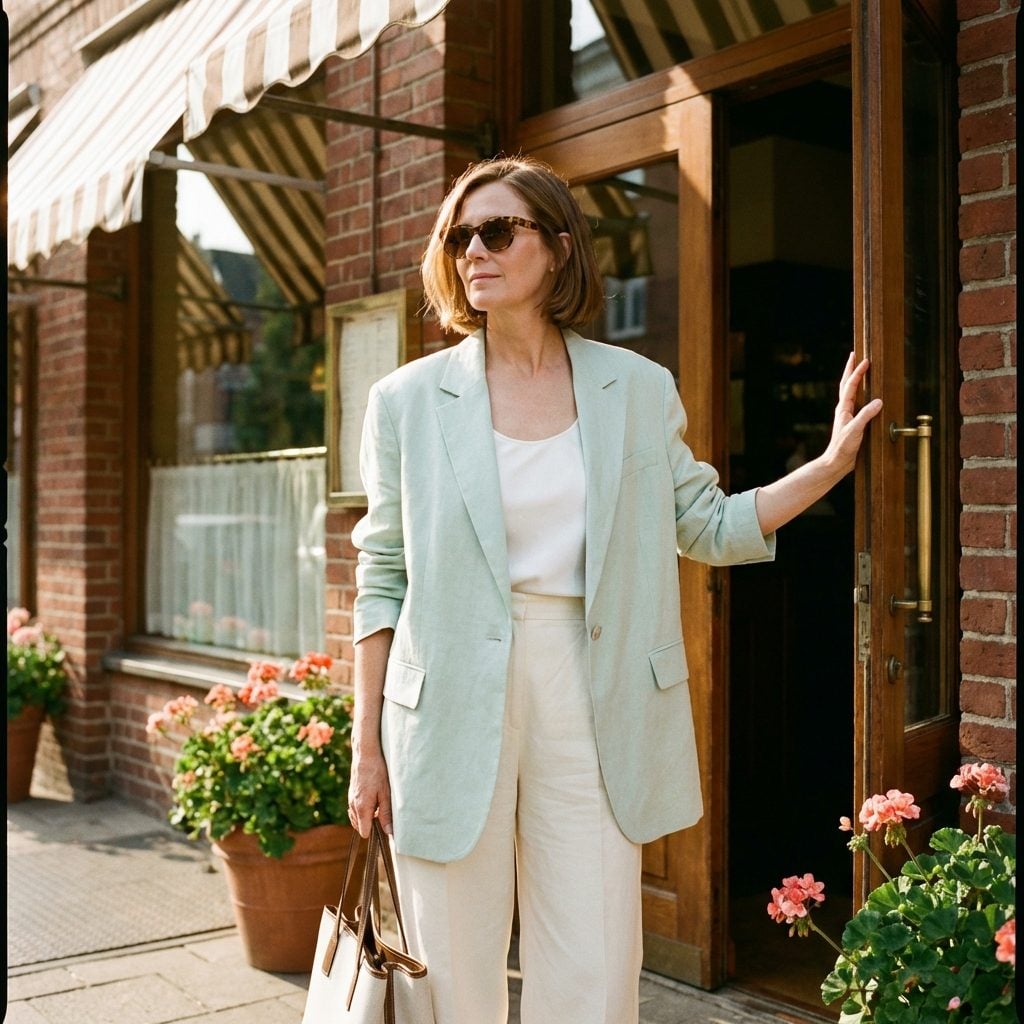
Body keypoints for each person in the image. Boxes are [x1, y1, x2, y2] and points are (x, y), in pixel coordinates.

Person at [346, 156, 882, 1024]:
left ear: (558, 248)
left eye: (496, 230)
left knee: (593, 959)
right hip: (441, 696)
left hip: (592, 687)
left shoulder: (634, 388)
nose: (472, 250)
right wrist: (365, 746)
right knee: (447, 960)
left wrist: (825, 468)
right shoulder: (405, 401)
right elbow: (381, 581)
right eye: (458, 236)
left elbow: (704, 523)